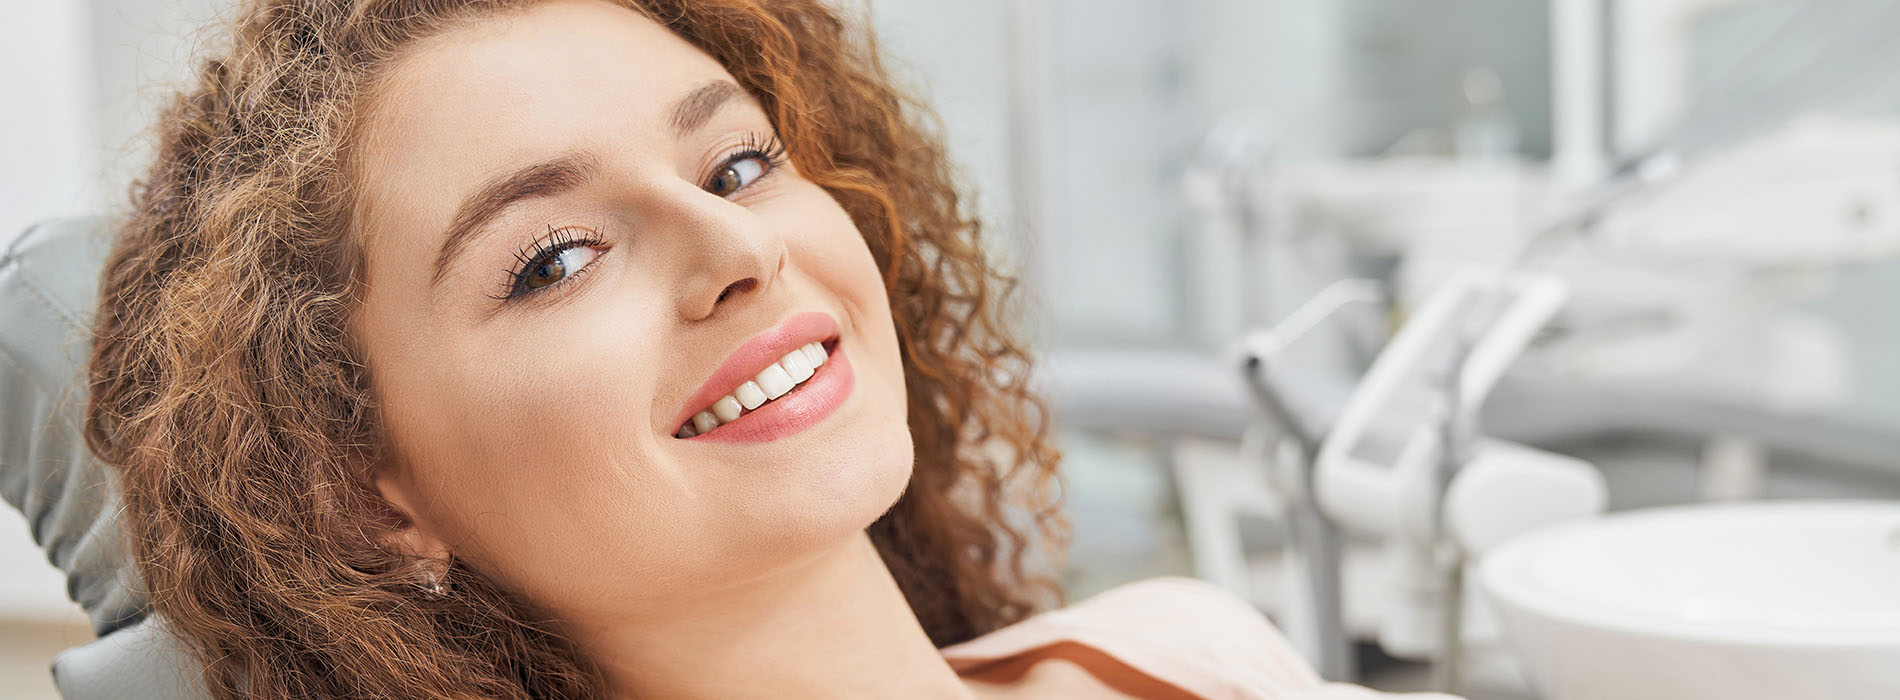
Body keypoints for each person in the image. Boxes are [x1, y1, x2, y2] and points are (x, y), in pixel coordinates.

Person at [84, 0, 1458, 697]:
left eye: (738, 164)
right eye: (554, 259)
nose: (740, 249)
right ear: (367, 495)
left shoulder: (1178, 640)